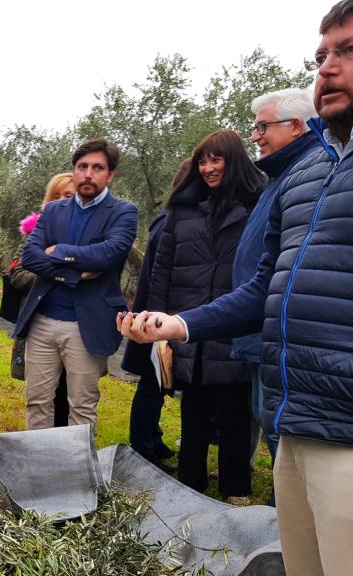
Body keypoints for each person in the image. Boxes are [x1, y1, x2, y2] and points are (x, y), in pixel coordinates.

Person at [120, 4, 353, 571]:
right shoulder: (305, 176)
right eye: (321, 55)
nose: (327, 69)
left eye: (348, 51)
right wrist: (181, 324)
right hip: (292, 420)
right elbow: (262, 287)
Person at [146, 131, 265, 504]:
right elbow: (162, 270)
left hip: (232, 326)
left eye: (217, 160)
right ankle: (190, 486)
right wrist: (158, 321)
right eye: (202, 161)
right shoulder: (181, 210)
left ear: (234, 162)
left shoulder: (257, 208)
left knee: (234, 415)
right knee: (192, 412)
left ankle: (236, 490)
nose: (208, 168)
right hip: (189, 328)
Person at [15, 139, 138, 430]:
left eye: (97, 167)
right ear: (74, 170)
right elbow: (30, 256)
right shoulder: (54, 210)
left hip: (87, 326)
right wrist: (73, 274)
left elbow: (109, 254)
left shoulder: (123, 212)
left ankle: (77, 473)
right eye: (82, 167)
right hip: (43, 321)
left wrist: (57, 251)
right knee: (37, 402)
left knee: (81, 407)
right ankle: (38, 467)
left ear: (110, 174)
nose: (88, 174)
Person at [238, 88, 317, 468]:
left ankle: (283, 519)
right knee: (267, 420)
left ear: (297, 126)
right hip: (262, 330)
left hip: (280, 335)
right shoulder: (280, 176)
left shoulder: (305, 176)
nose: (255, 136)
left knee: (280, 431)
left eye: (263, 127)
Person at [121, 159, 190, 471]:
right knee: (151, 385)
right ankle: (141, 447)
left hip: (157, 316)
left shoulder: (168, 219)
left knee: (158, 385)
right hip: (156, 319)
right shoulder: (170, 223)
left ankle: (152, 436)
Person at [6, 172, 76, 427]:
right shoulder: (33, 234)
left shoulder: (89, 235)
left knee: (72, 396)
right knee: (41, 396)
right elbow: (16, 273)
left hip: (77, 324)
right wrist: (53, 276)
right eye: (55, 196)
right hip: (40, 322)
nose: (61, 202)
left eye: (68, 196)